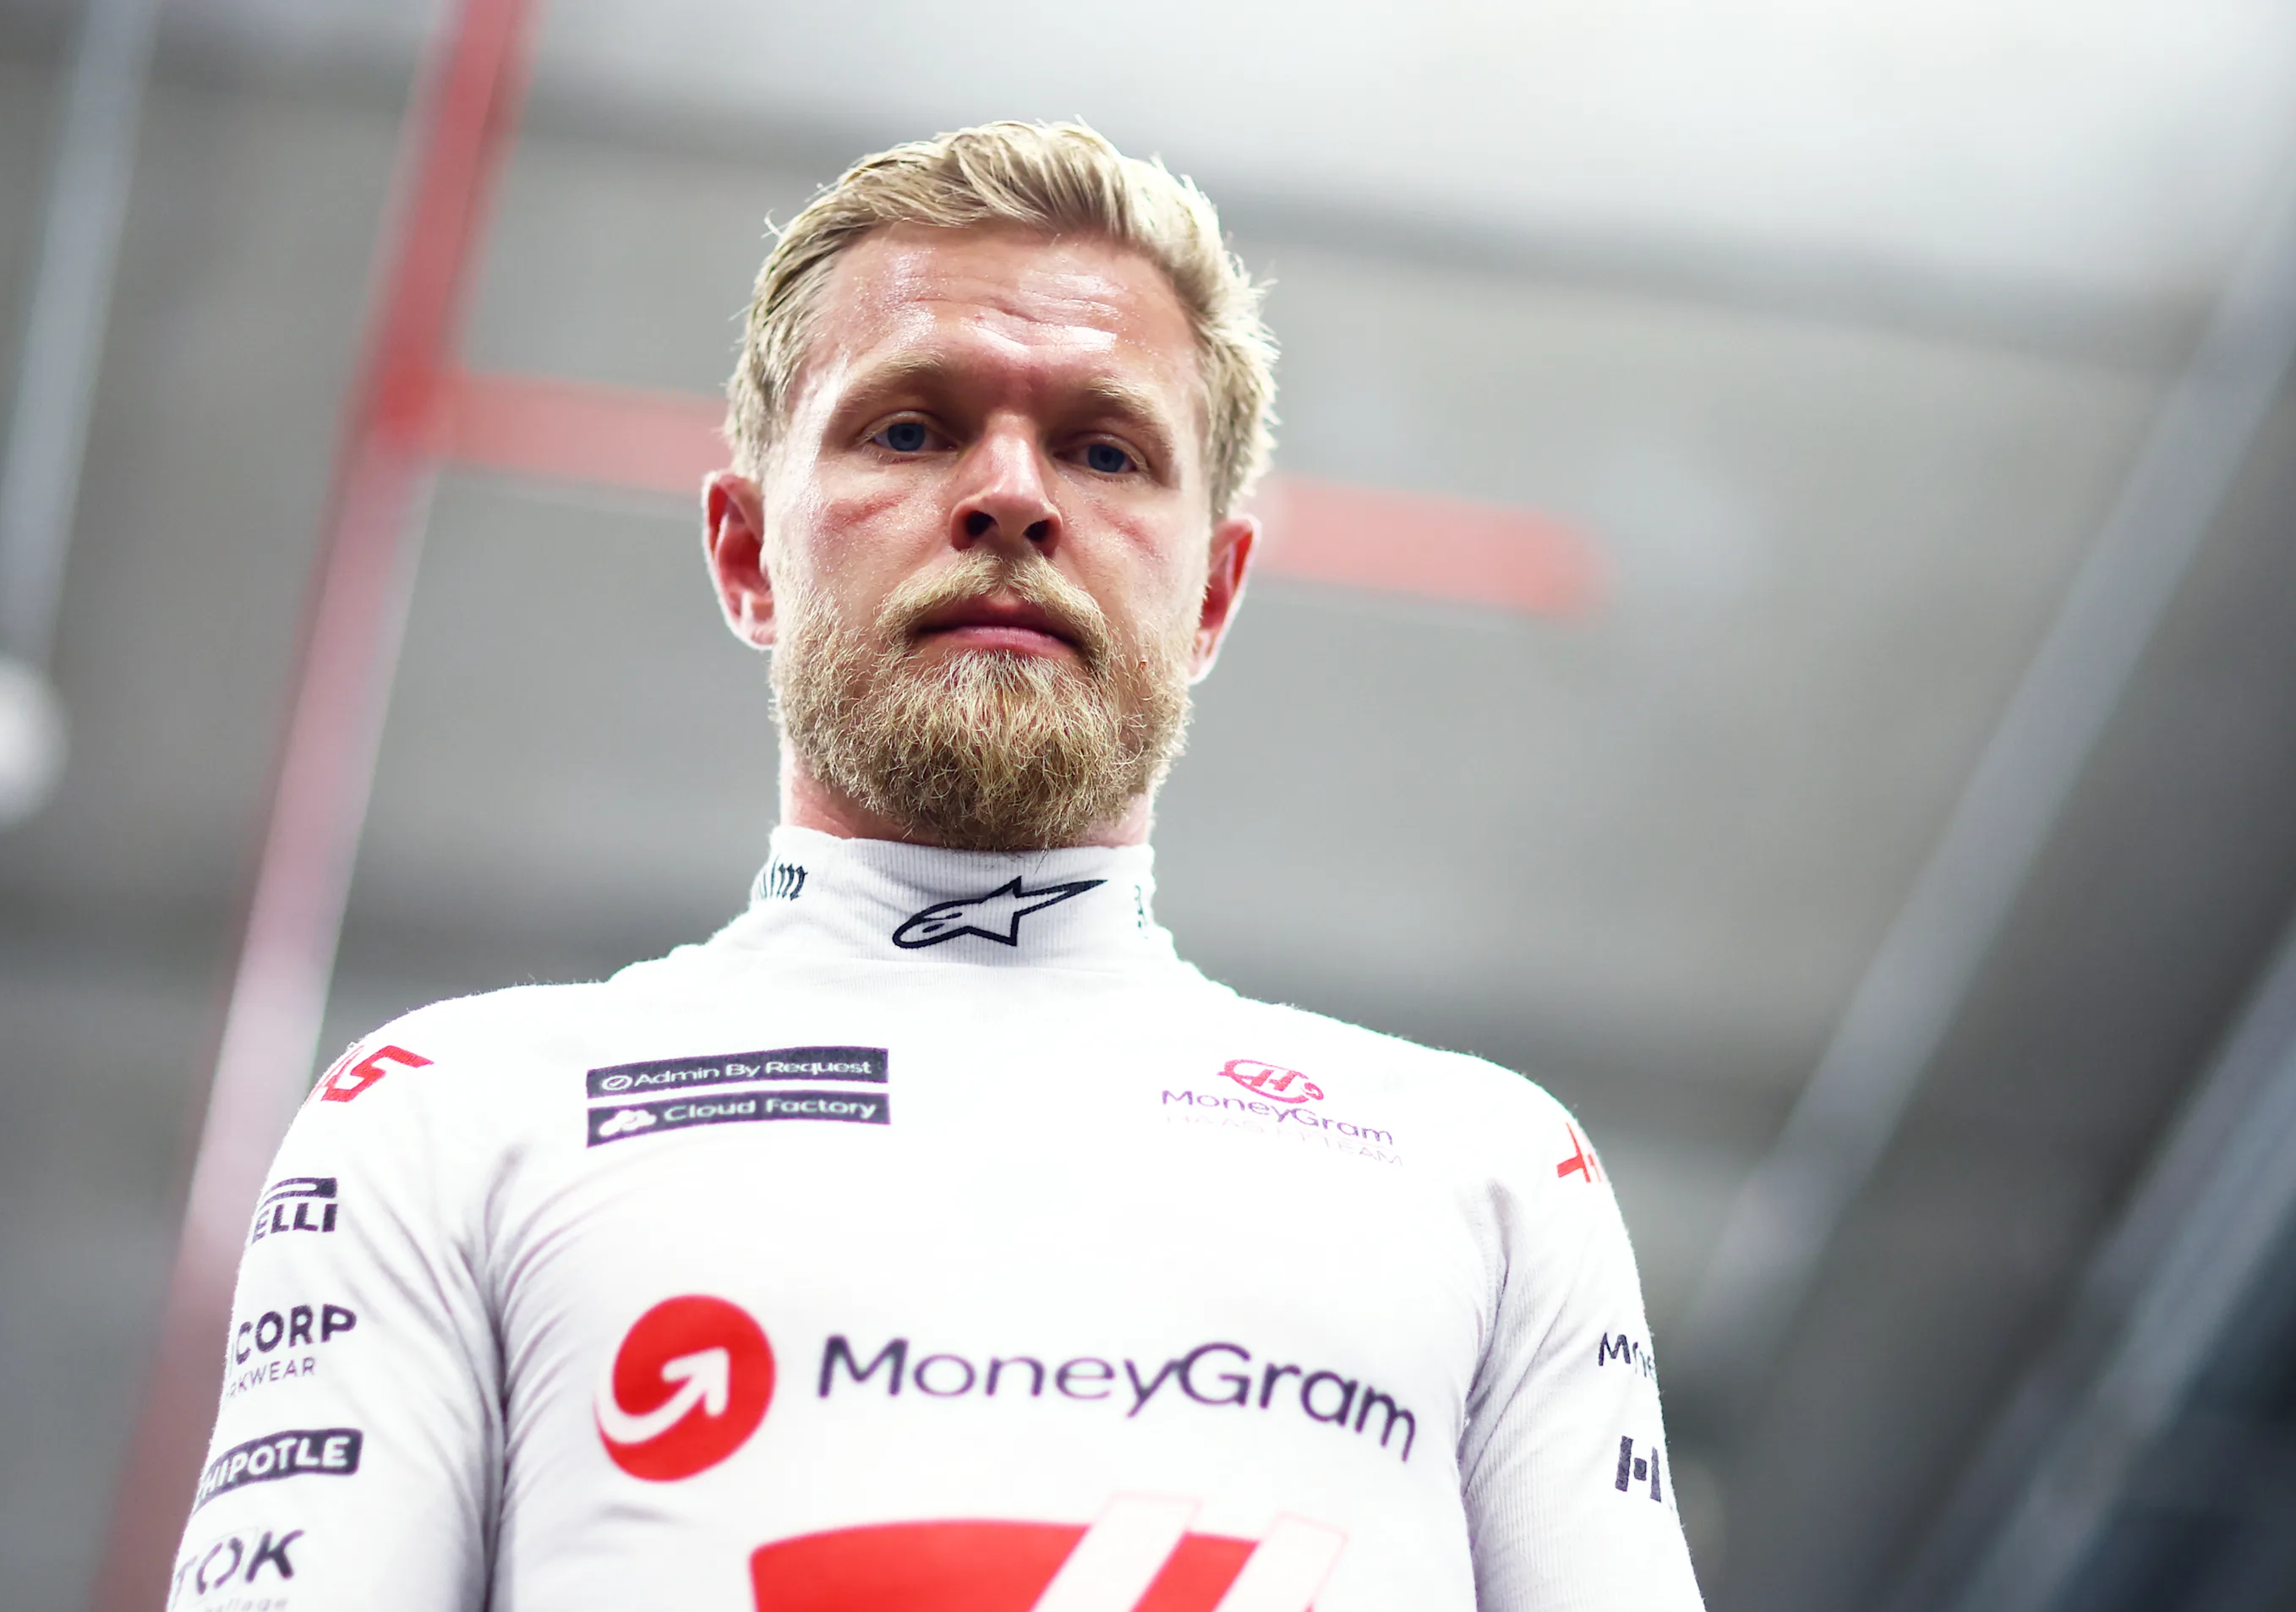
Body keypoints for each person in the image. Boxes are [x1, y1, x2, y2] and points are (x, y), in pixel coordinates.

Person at [165, 121, 1703, 1611]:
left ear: (1215, 591)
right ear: (749, 552)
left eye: (1105, 448)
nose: (1014, 496)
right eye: (910, 428)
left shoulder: (1490, 1173)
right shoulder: (443, 1117)